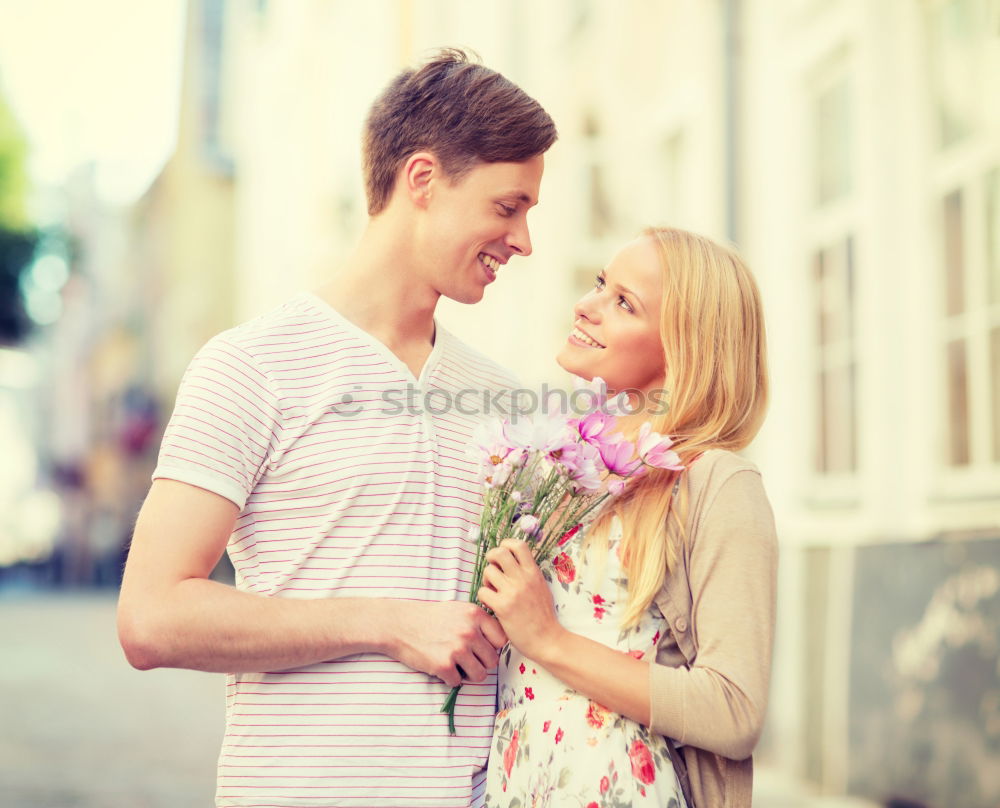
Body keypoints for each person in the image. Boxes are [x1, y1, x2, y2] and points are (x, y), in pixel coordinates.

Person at [117, 49, 557, 808]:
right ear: (421, 181)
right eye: (506, 206)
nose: (523, 241)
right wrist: (388, 624)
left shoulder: (506, 401)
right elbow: (152, 617)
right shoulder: (251, 367)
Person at [478, 227, 778, 808]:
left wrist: (548, 639)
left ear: (683, 346)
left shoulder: (716, 483)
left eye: (623, 303)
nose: (585, 306)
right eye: (599, 285)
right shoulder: (557, 466)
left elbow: (734, 710)